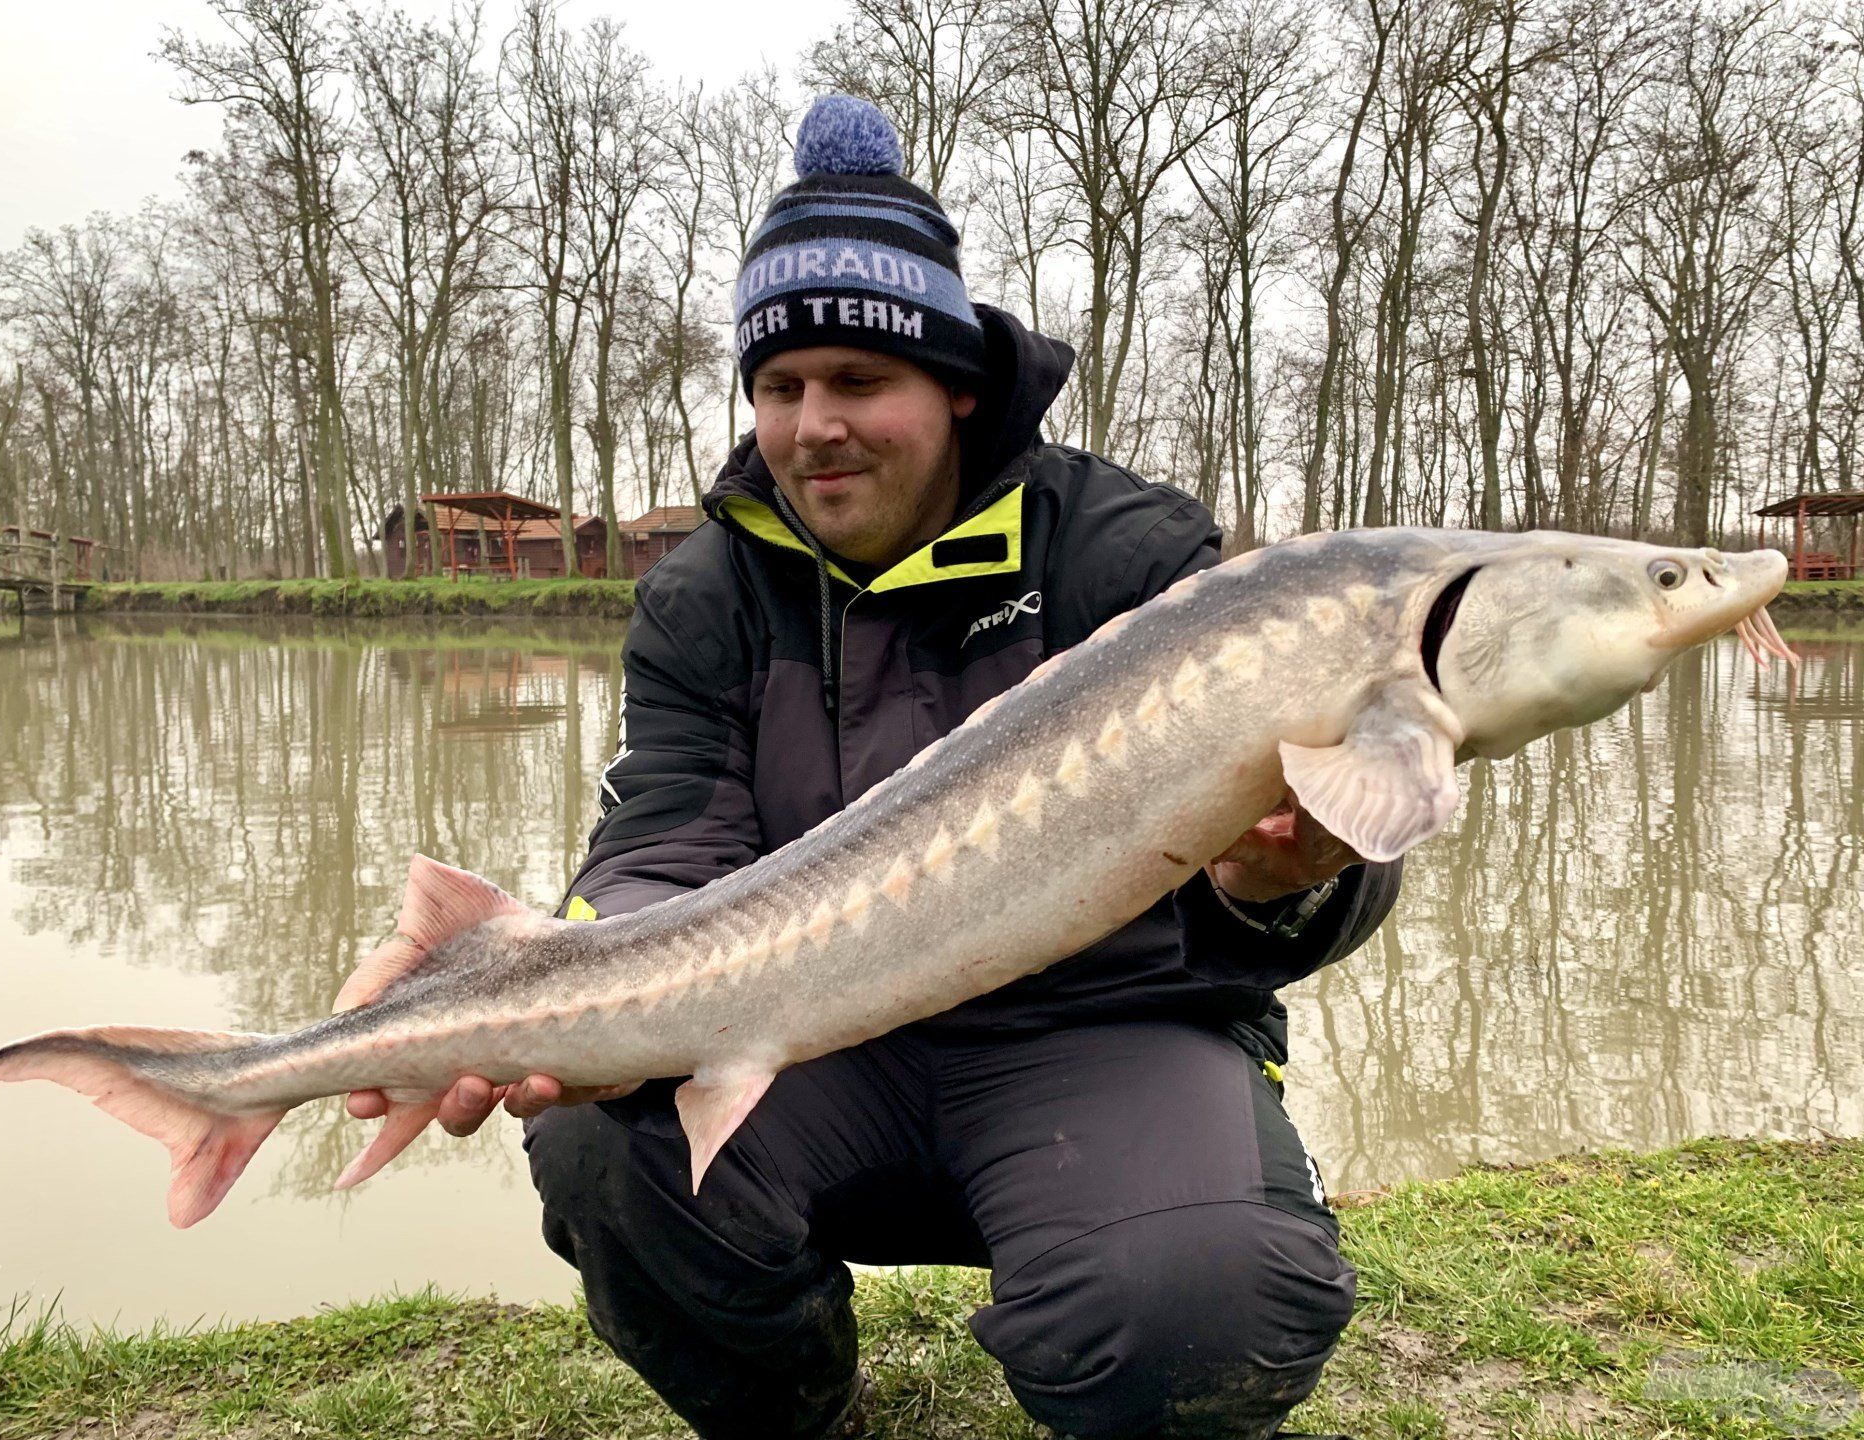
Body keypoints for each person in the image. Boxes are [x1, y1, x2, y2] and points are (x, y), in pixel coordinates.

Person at [342, 96, 1401, 1440]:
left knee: (1200, 1302)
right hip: (815, 1051)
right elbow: (667, 840)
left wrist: (1292, 877)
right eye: (778, 388)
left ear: (955, 385)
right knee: (602, 1148)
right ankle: (801, 1408)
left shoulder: (1133, 563)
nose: (811, 428)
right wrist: (553, 971)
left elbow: (1330, 864)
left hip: (1103, 1041)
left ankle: (1131, 1309)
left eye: (858, 383)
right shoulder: (704, 597)